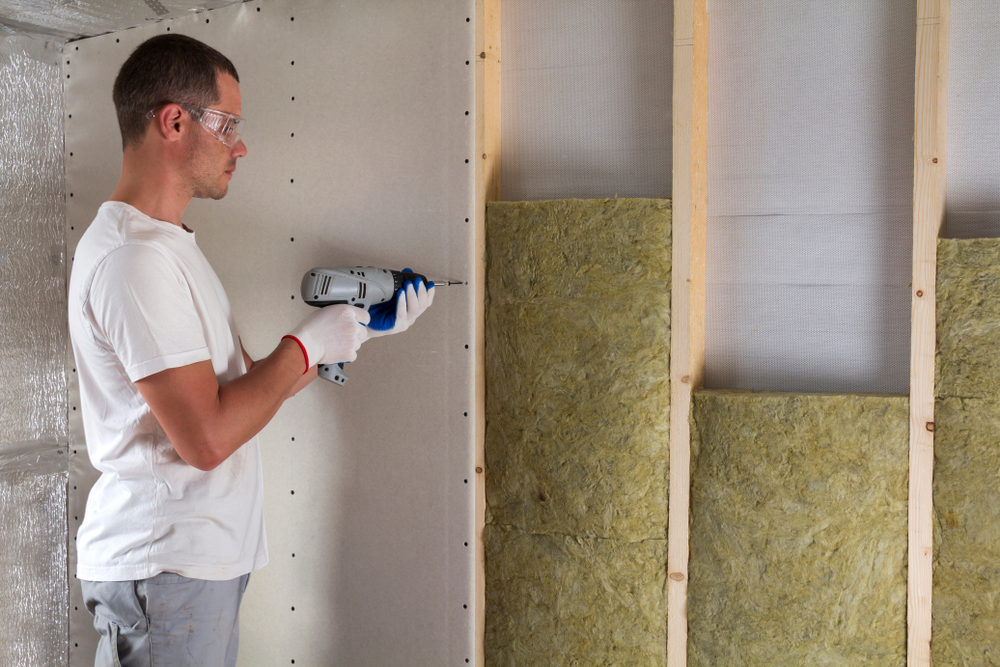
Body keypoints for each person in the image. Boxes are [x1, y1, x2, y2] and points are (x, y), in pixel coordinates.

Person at [67, 33, 433, 667]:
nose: (240, 145)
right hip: (166, 565)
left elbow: (235, 397)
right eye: (227, 124)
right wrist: (303, 342)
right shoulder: (135, 261)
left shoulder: (167, 247)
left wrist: (348, 336)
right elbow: (206, 440)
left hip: (191, 565)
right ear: (174, 121)